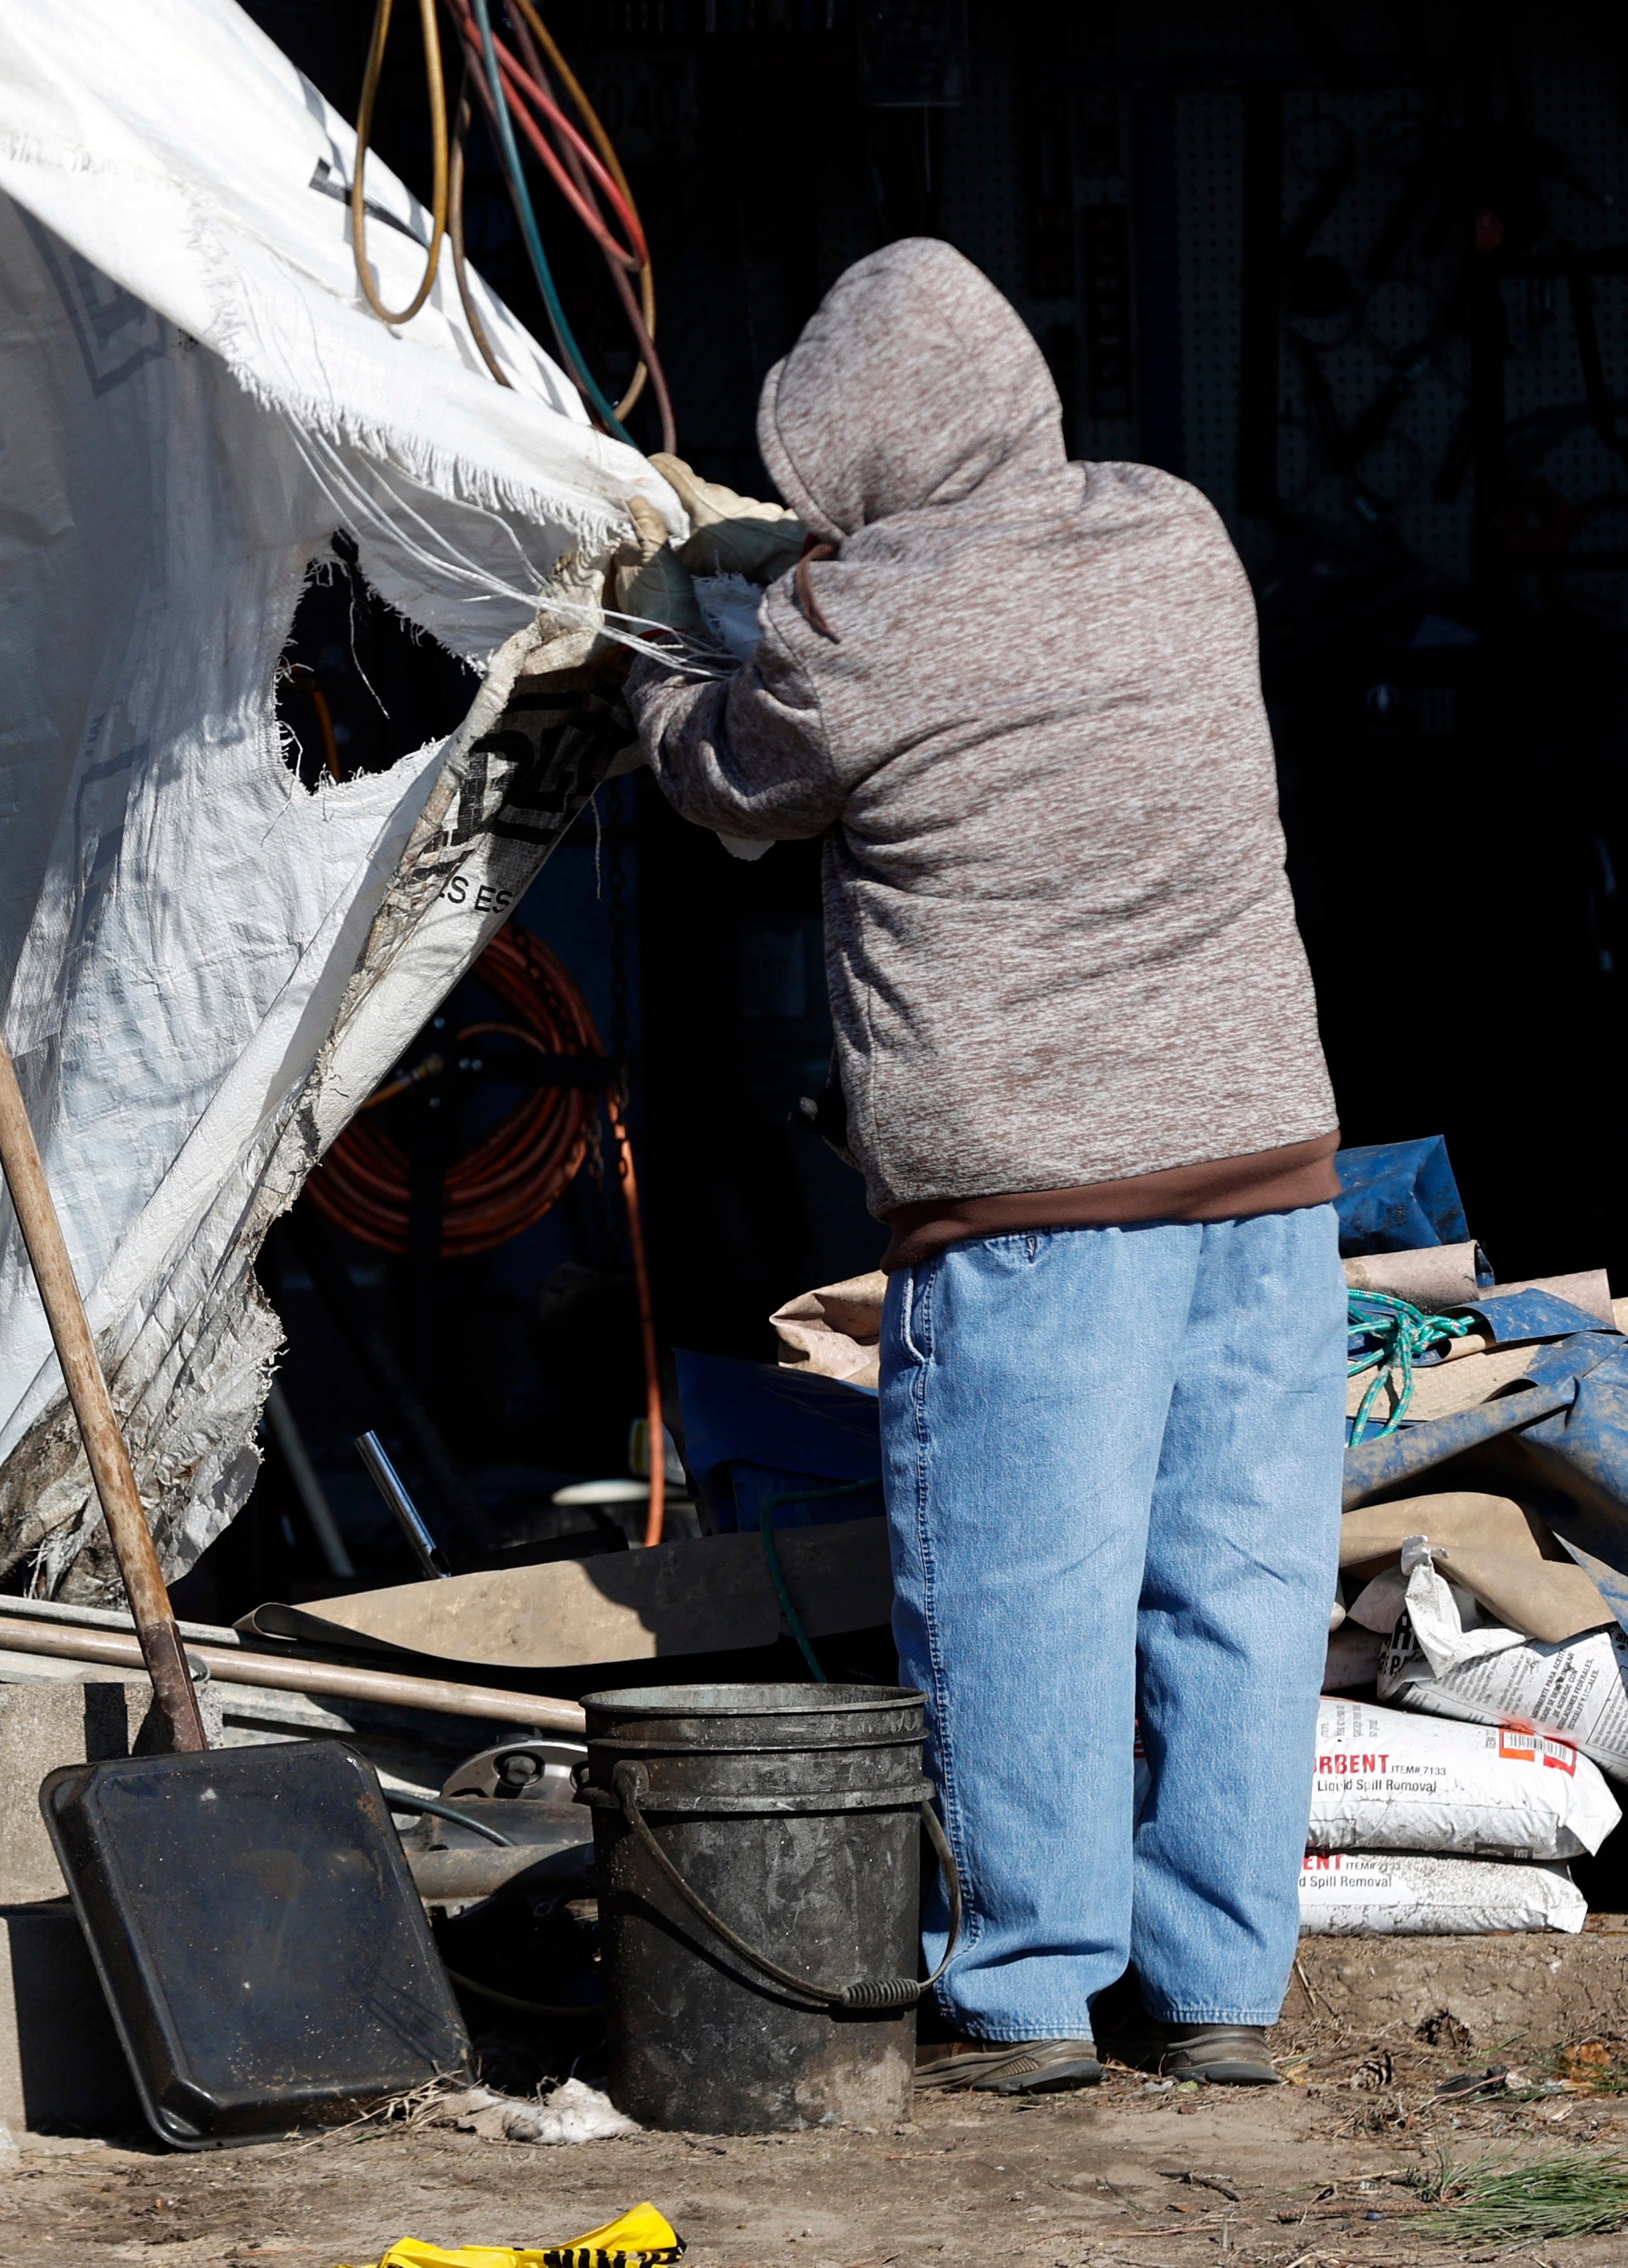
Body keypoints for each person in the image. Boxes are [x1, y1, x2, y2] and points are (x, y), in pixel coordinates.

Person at [614, 238, 1342, 2096]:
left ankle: (1020, 1992)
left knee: (1028, 1584)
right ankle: (1219, 1991)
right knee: (1237, 1581)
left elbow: (722, 783)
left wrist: (668, 645)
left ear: (848, 460)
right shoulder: (1175, 533)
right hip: (1264, 1171)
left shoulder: (863, 630)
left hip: (1035, 1207)